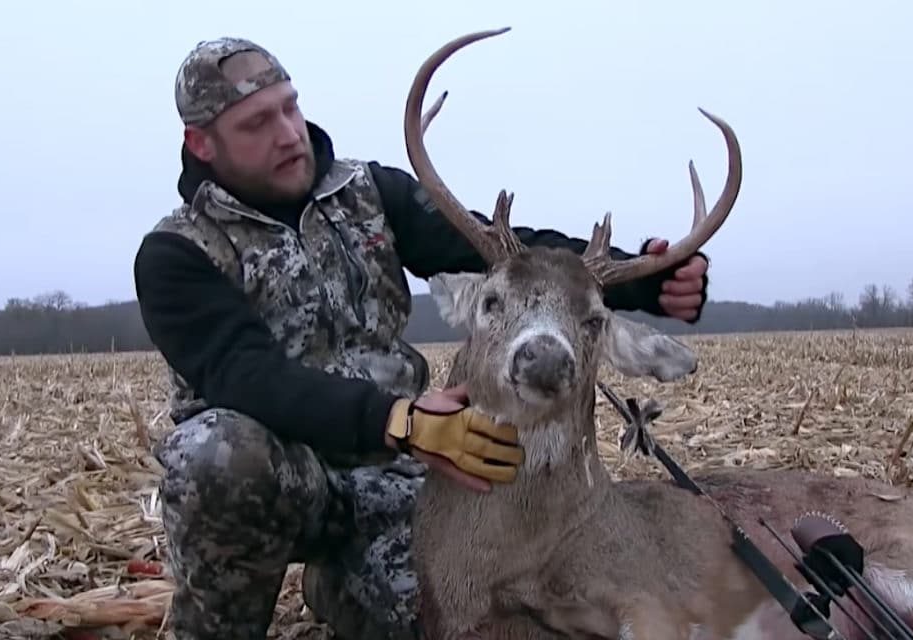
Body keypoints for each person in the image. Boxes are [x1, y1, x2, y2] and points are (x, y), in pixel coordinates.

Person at [133, 36, 711, 640]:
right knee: (215, 452)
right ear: (201, 143)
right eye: (256, 123)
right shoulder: (177, 252)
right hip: (282, 478)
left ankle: (337, 582)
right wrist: (398, 419)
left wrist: (643, 281)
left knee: (455, 622)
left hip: (397, 481)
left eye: (289, 107)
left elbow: (499, 252)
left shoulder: (368, 193)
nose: (287, 133)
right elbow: (245, 373)